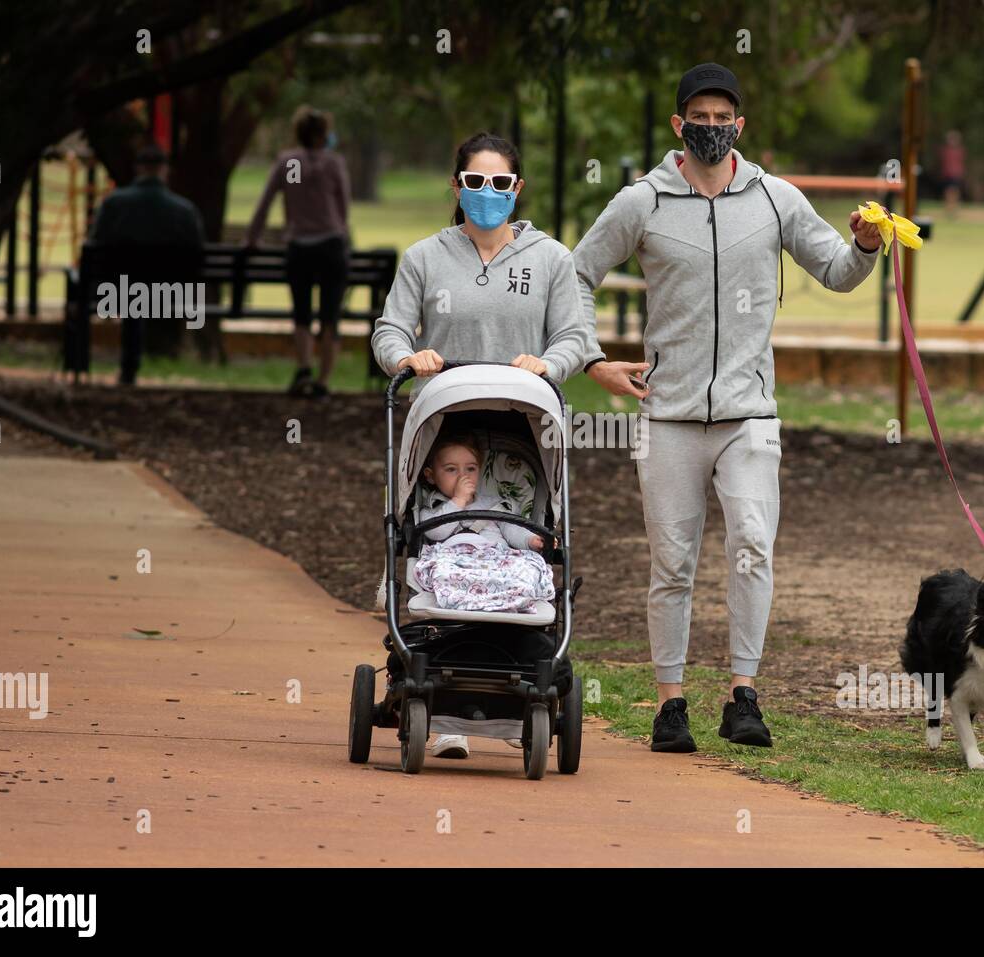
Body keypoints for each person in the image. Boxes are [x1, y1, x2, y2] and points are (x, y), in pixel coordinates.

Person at [575, 63, 882, 753]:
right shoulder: (643, 202)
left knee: (751, 545)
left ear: (740, 124)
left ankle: (744, 694)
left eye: (724, 117)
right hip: (670, 416)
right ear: (679, 124)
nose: (712, 128)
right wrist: (593, 360)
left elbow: (835, 269)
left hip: (749, 415)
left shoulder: (773, 198)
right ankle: (670, 702)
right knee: (672, 563)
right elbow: (576, 273)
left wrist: (865, 244)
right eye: (700, 117)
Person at [371, 131, 598, 759]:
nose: (487, 194)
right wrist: (406, 356)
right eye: (475, 183)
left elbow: (577, 334)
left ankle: (521, 663)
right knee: (443, 534)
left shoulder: (551, 259)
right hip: (446, 421)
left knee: (512, 533)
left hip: (523, 425)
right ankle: (439, 699)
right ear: (457, 186)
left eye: (501, 184)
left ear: (517, 189)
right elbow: (389, 326)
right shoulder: (426, 257)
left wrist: (549, 364)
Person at [246, 106, 351, 397]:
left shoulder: (286, 162)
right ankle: (323, 382)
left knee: (301, 313)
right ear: (323, 134)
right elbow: (343, 210)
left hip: (299, 247)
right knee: (330, 316)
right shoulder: (334, 164)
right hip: (331, 246)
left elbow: (265, 203)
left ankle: (304, 367)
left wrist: (252, 238)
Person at [88, 143, 204, 386]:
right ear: (164, 170)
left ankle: (126, 368)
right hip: (171, 292)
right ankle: (145, 358)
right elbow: (196, 255)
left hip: (116, 291)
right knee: (141, 292)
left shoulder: (114, 204)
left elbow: (95, 244)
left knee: (133, 293)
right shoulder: (184, 210)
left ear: (138, 169)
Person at [412, 435, 554, 614]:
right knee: (441, 571)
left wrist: (531, 540)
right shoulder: (433, 509)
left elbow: (513, 529)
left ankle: (508, 599)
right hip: (455, 562)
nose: (463, 476)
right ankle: (466, 601)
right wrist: (458, 500)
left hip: (496, 560)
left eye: (470, 468)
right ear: (430, 476)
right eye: (451, 470)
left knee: (524, 568)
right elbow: (435, 533)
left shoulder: (496, 503)